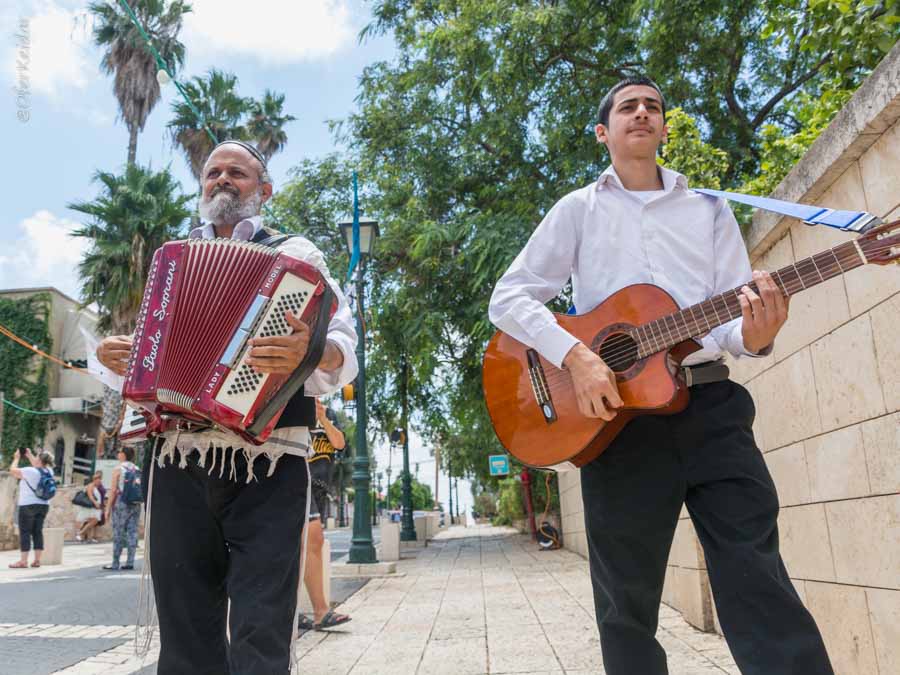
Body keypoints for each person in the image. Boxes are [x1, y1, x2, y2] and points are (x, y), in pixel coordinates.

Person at [488, 76, 834, 675]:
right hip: (615, 423)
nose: (642, 112)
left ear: (664, 128)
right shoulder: (578, 209)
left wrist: (756, 332)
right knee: (625, 604)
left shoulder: (709, 207)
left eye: (653, 106)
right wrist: (577, 356)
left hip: (712, 407)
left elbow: (729, 325)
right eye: (628, 106)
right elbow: (509, 298)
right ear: (604, 132)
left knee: (757, 574)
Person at [96, 139, 357, 674]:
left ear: (264, 190)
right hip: (177, 459)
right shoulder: (173, 260)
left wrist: (311, 351)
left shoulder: (299, 256)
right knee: (185, 635)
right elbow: (152, 352)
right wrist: (113, 357)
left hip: (269, 459)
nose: (221, 179)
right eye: (213, 172)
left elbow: (344, 347)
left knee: (261, 632)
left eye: (236, 172)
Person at [298, 398, 351, 632]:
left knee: (301, 550)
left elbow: (339, 444)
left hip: (320, 488)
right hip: (299, 484)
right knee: (314, 537)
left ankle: (293, 612)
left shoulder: (329, 414)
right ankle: (321, 611)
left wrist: (322, 418)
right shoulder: (295, 409)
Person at [7, 448, 54, 569]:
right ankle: (37, 560)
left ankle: (23, 561)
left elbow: (12, 471)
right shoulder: (49, 471)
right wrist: (30, 455)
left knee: (25, 532)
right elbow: (38, 466)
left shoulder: (29, 471)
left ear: (39, 459)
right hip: (44, 505)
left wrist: (16, 458)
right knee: (37, 532)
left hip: (28, 505)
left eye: (36, 457)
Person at [103, 447, 141, 570]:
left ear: (123, 455)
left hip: (121, 503)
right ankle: (130, 562)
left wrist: (108, 508)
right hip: (135, 504)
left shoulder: (118, 469)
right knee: (133, 532)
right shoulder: (136, 468)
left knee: (118, 532)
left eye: (119, 452)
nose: (118, 454)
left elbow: (113, 490)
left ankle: (115, 563)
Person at [76, 471, 104, 543]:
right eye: (98, 479)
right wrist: (95, 503)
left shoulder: (96, 487)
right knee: (94, 521)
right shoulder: (90, 485)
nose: (99, 481)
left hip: (95, 507)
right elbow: (90, 495)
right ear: (94, 479)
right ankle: (80, 533)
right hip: (91, 507)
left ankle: (89, 538)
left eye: (100, 479)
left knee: (92, 522)